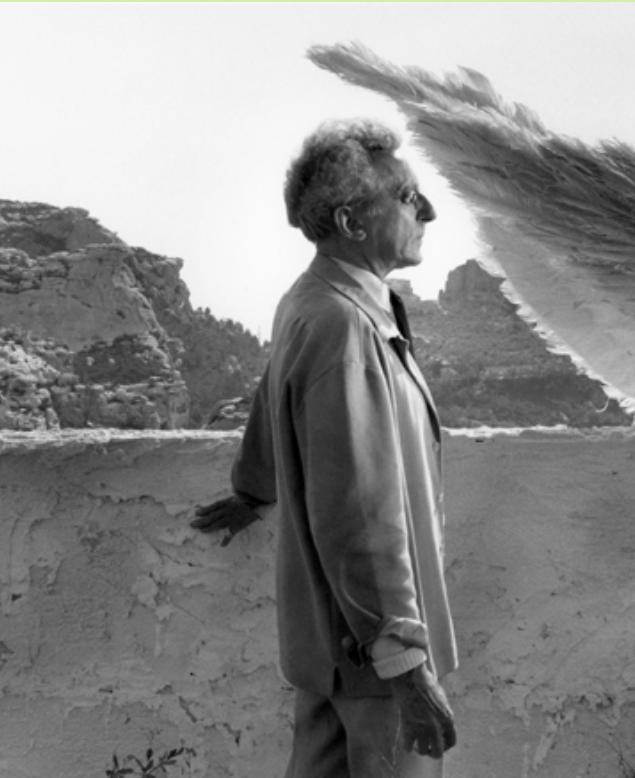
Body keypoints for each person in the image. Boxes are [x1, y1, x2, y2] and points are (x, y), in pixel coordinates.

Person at [191, 118, 458, 777]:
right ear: (351, 221)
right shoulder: (344, 324)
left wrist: (256, 487)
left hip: (331, 646)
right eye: (406, 196)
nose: (428, 210)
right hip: (371, 659)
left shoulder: (316, 302)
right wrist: (403, 660)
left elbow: (275, 397)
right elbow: (360, 512)